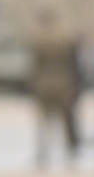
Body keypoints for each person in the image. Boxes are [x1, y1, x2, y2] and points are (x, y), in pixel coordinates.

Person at [31, 9, 81, 168]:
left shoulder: (38, 40)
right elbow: (73, 65)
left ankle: (44, 152)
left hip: (44, 85)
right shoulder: (65, 39)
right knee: (65, 120)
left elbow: (35, 66)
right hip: (64, 83)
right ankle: (69, 151)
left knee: (45, 121)